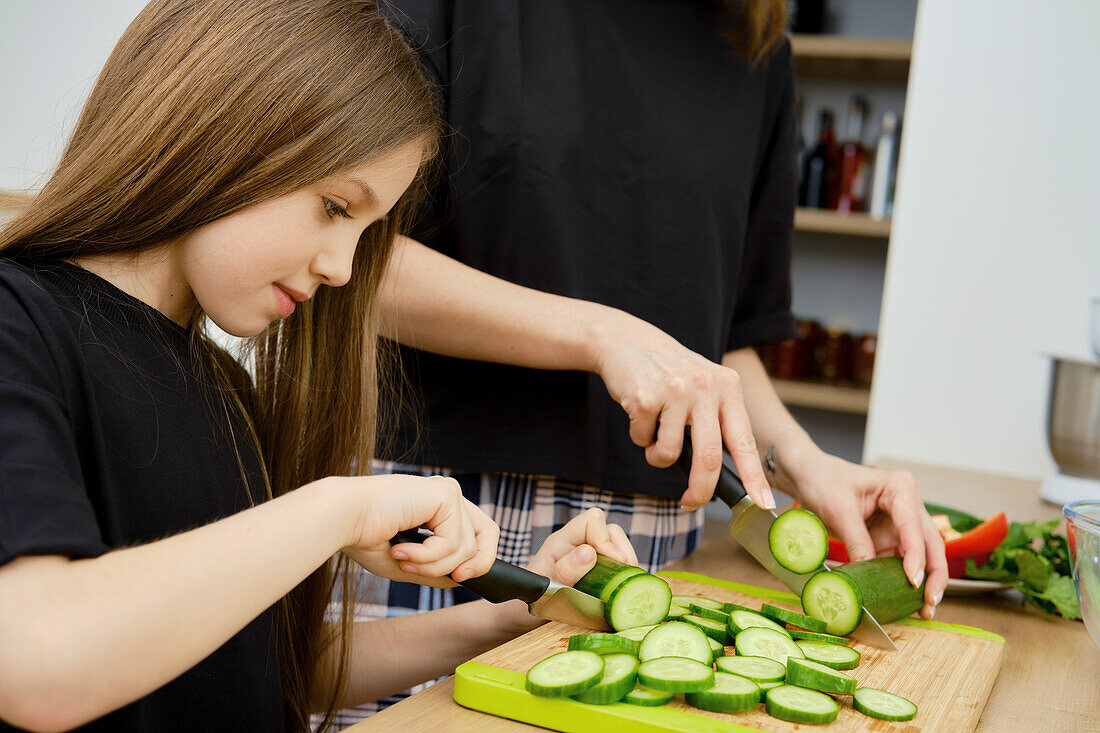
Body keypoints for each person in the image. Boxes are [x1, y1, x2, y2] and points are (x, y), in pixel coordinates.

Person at [0, 2, 639, 731]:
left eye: (367, 234)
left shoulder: (223, 387)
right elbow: (36, 662)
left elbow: (259, 671)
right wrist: (340, 509)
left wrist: (516, 614)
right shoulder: (17, 324)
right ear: (223, 123)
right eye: (336, 205)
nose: (342, 268)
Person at [334, 0, 949, 721]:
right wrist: (604, 335)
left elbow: (718, 339)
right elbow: (347, 253)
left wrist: (795, 457)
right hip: (439, 507)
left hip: (651, 536)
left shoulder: (757, 42)